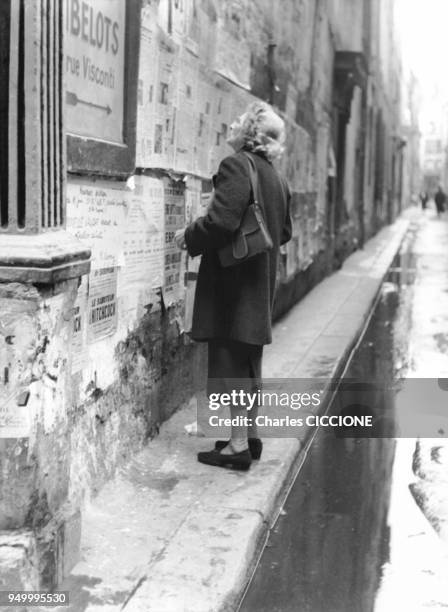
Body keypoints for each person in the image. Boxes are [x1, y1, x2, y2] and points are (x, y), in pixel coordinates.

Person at [174, 101, 292, 471]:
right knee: (248, 358)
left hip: (233, 282)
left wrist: (188, 236)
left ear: (248, 133)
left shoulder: (237, 165)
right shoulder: (276, 177)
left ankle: (237, 446)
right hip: (259, 282)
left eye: (239, 122)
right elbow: (284, 232)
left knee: (230, 360)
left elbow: (222, 223)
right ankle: (249, 437)